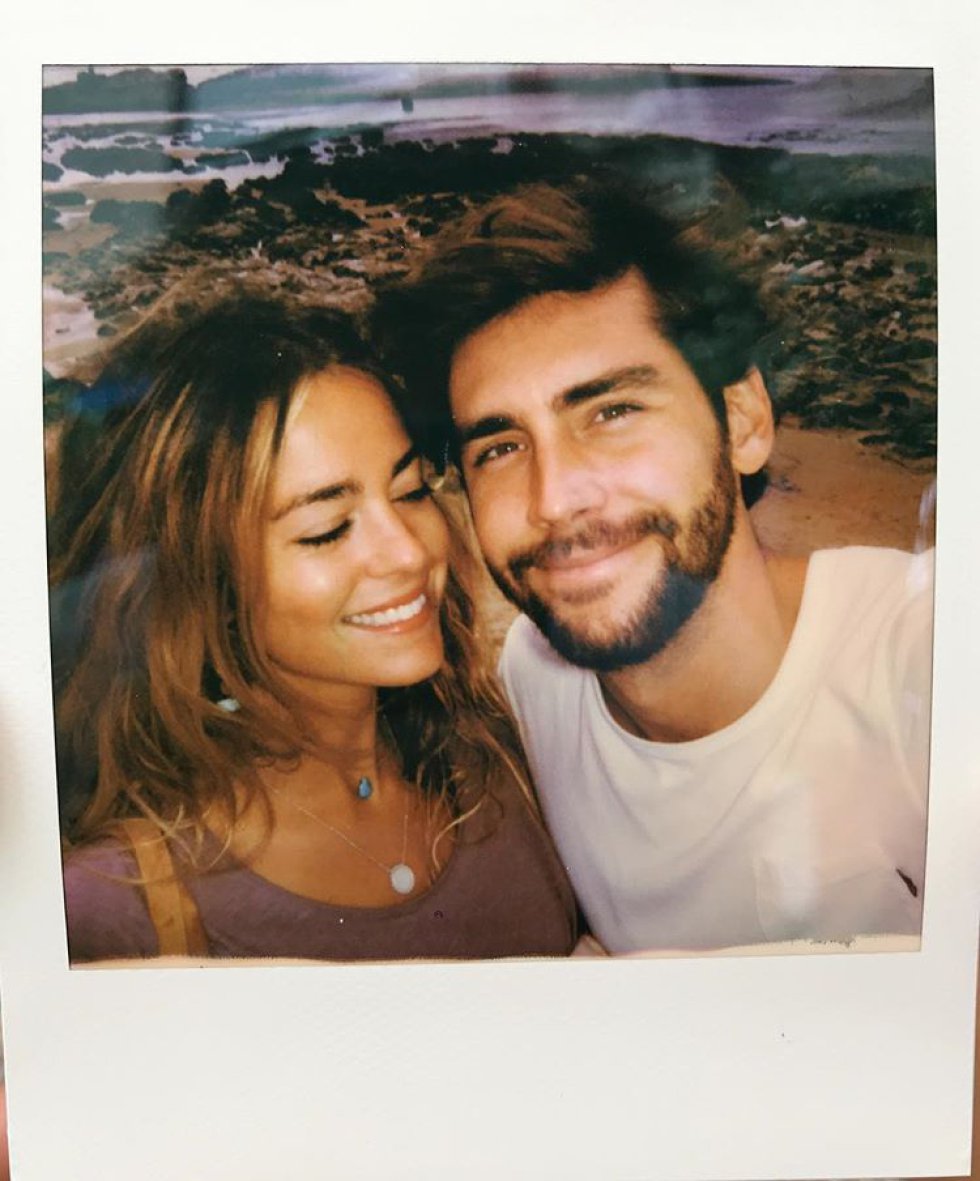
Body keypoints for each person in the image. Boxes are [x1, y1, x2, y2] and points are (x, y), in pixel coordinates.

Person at [373, 179, 933, 954]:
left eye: (612, 411)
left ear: (743, 420)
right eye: (499, 447)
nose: (554, 498)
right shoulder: (533, 689)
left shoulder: (925, 663)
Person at [52, 285, 577, 963]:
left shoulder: (497, 754)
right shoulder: (110, 910)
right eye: (327, 529)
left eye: (412, 490)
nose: (409, 552)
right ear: (201, 582)